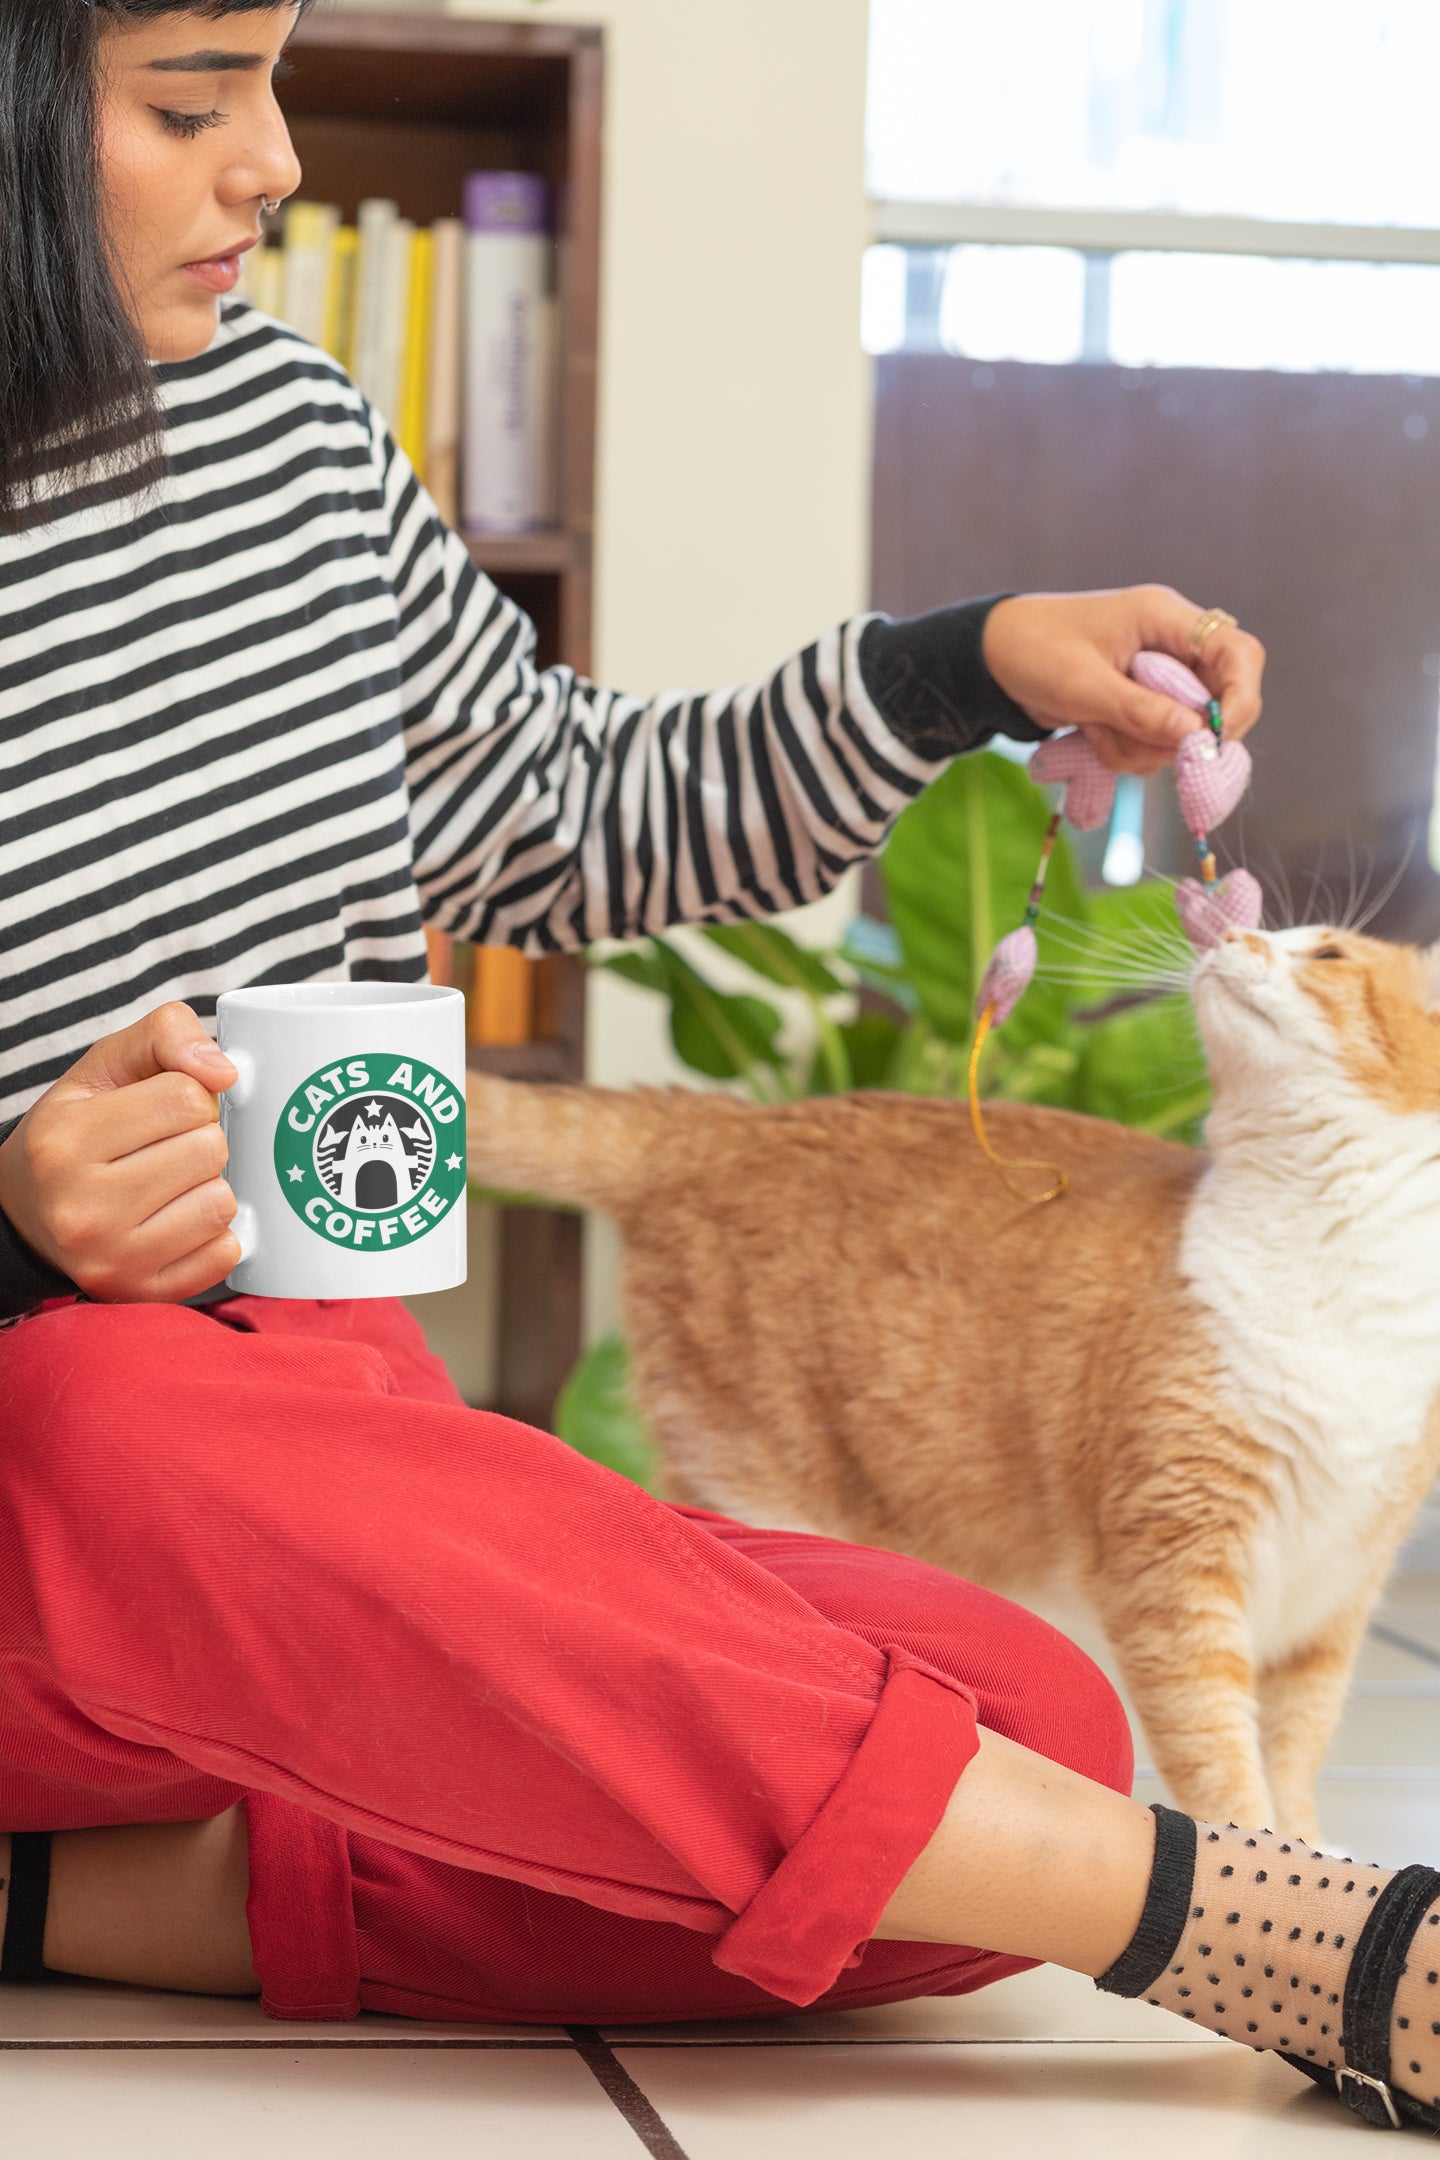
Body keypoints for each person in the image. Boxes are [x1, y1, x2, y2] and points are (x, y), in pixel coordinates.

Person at [9, 2, 1434, 2138]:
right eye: (194, 104)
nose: (275, 162)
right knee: (119, 1420)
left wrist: (961, 666)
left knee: (1012, 1705)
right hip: (92, 1484)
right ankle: (1249, 1928)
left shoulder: (290, 436)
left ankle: (67, 1899)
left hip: (348, 1464)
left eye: (274, 86)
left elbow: (573, 815)